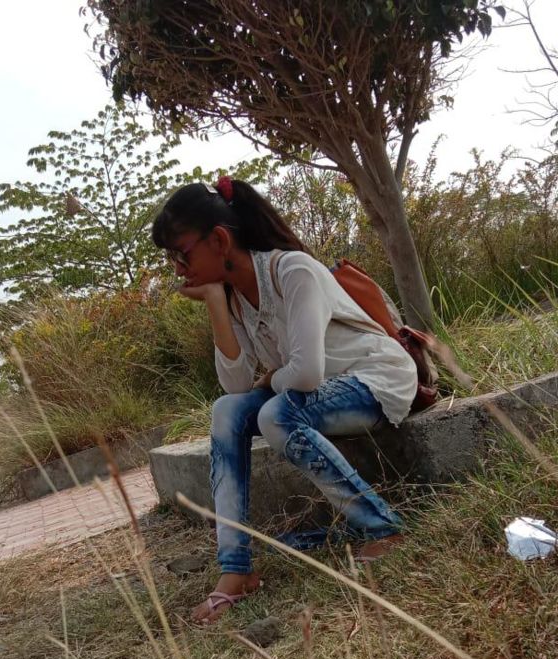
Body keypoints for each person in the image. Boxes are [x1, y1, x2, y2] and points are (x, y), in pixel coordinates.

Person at [152, 178, 417, 624]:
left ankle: (383, 528)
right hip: (316, 395)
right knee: (225, 411)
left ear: (219, 241)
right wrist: (216, 301)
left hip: (376, 380)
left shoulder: (293, 271)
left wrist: (273, 377)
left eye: (182, 254)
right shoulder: (236, 298)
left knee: (277, 413)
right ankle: (236, 568)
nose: (179, 270)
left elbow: (306, 373)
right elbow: (236, 387)